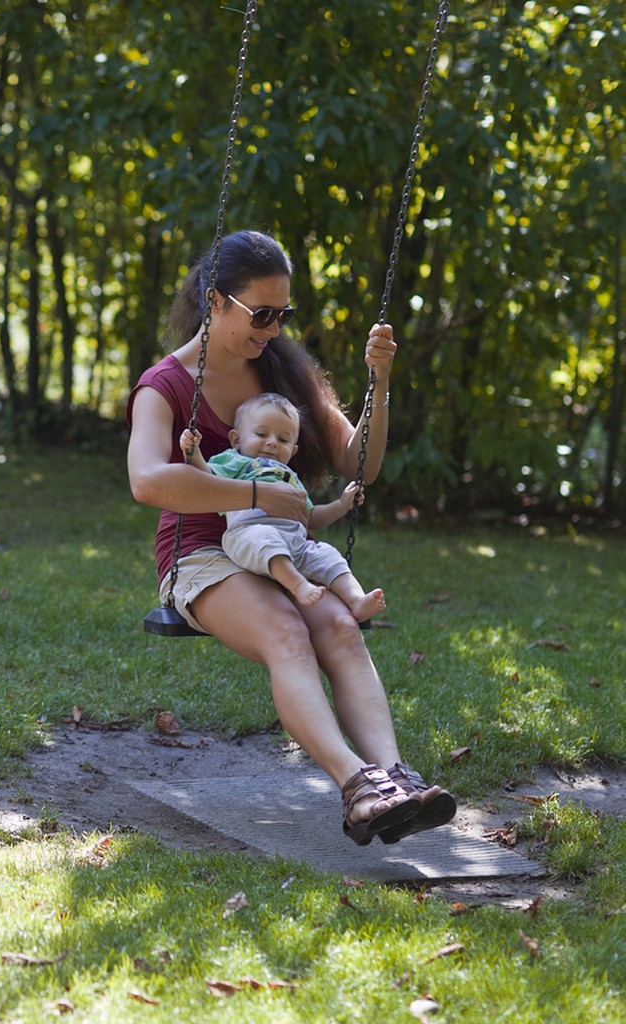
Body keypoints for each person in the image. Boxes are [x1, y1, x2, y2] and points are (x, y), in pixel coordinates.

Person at [126, 229, 454, 846]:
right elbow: (147, 481)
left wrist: (378, 385)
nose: (274, 328)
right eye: (263, 313)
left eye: (284, 314)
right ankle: (357, 787)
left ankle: (393, 776)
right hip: (199, 557)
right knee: (287, 629)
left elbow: (360, 464)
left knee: (339, 626)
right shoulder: (164, 384)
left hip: (282, 544)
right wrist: (252, 494)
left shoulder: (281, 373)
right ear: (214, 300)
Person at [180, 391, 386, 621]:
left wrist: (341, 505)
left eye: (283, 439)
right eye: (261, 434)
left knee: (328, 554)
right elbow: (208, 479)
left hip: (296, 543)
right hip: (248, 534)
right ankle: (298, 585)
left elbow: (310, 517)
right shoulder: (235, 461)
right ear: (237, 440)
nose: (271, 443)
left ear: (293, 450)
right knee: (267, 538)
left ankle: (356, 599)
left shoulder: (289, 477)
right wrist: (193, 453)